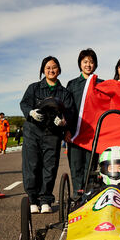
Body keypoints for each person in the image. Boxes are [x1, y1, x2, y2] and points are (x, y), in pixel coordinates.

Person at [20, 56, 74, 214]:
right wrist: (30, 112)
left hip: (53, 134)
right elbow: (24, 103)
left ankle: (45, 200)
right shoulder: (34, 88)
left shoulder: (64, 93)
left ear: (59, 70)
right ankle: (32, 199)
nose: (51, 70)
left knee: (49, 166)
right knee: (32, 165)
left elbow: (70, 112)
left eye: (54, 67)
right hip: (33, 132)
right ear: (43, 70)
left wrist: (64, 121)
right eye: (48, 67)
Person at [66, 48, 101, 198]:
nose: (88, 65)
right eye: (85, 62)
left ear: (95, 64)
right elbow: (66, 109)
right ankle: (77, 197)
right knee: (76, 166)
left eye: (91, 62)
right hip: (75, 134)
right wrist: (66, 131)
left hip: (93, 134)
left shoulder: (101, 83)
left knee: (91, 167)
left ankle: (90, 196)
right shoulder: (72, 84)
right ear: (80, 64)